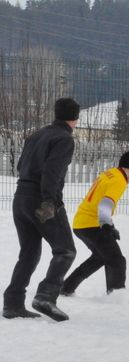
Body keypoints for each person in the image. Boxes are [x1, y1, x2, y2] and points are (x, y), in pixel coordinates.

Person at [3, 98, 80, 321]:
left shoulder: (37, 134)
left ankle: (13, 304)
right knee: (65, 250)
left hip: (21, 198)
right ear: (75, 118)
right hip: (42, 200)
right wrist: (49, 202)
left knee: (29, 253)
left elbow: (20, 166)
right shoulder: (64, 139)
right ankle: (46, 296)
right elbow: (52, 172)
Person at [61, 152, 129, 296]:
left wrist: (110, 225)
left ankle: (66, 287)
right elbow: (106, 204)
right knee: (117, 260)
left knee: (100, 257)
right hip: (92, 225)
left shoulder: (111, 173)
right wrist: (106, 225)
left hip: (81, 223)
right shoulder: (119, 181)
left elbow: (99, 201)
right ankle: (116, 295)